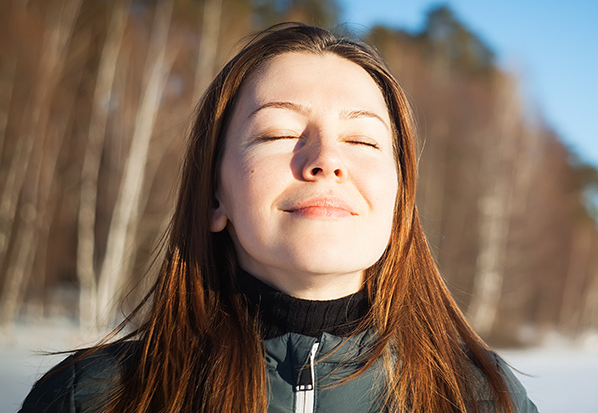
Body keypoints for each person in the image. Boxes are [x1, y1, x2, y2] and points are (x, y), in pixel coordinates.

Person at [20, 23, 538, 413]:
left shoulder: (484, 398)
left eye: (362, 140)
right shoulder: (93, 398)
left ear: (400, 202)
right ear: (214, 197)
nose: (327, 159)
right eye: (277, 134)